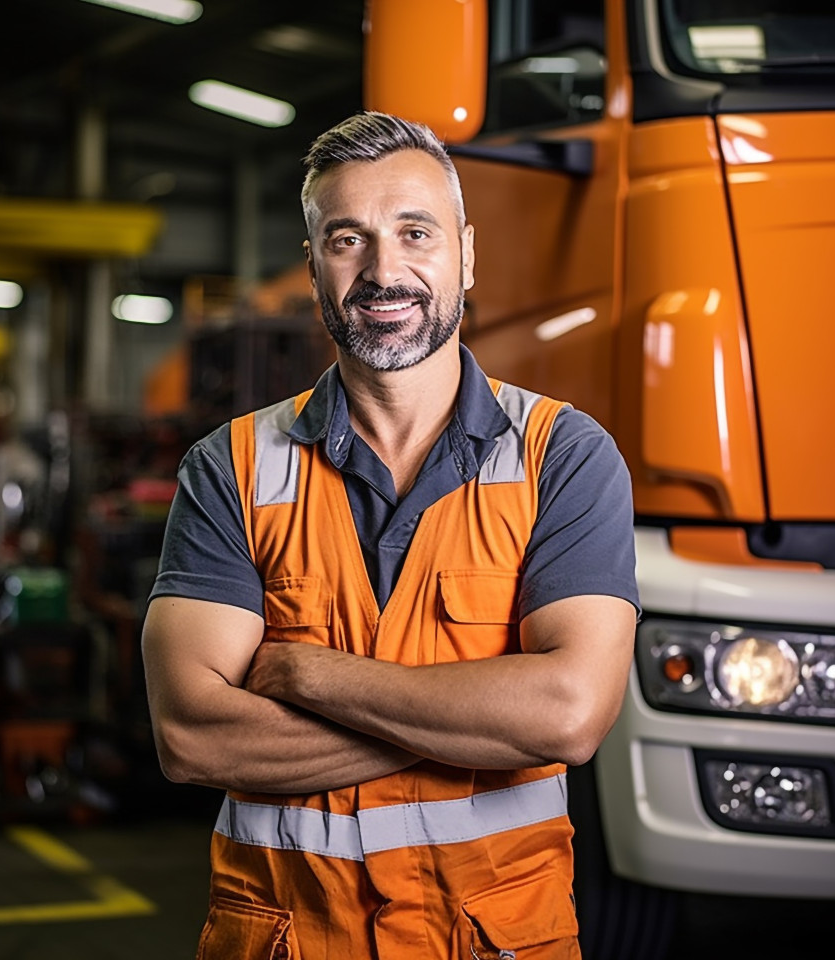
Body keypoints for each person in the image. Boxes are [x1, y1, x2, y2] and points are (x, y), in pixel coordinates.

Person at [141, 110, 639, 960]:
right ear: (312, 266)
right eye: (348, 240)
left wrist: (306, 674)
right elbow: (191, 737)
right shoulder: (230, 466)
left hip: (487, 942)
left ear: (466, 252)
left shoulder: (564, 455)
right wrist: (471, 725)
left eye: (416, 232)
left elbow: (566, 715)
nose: (384, 271)